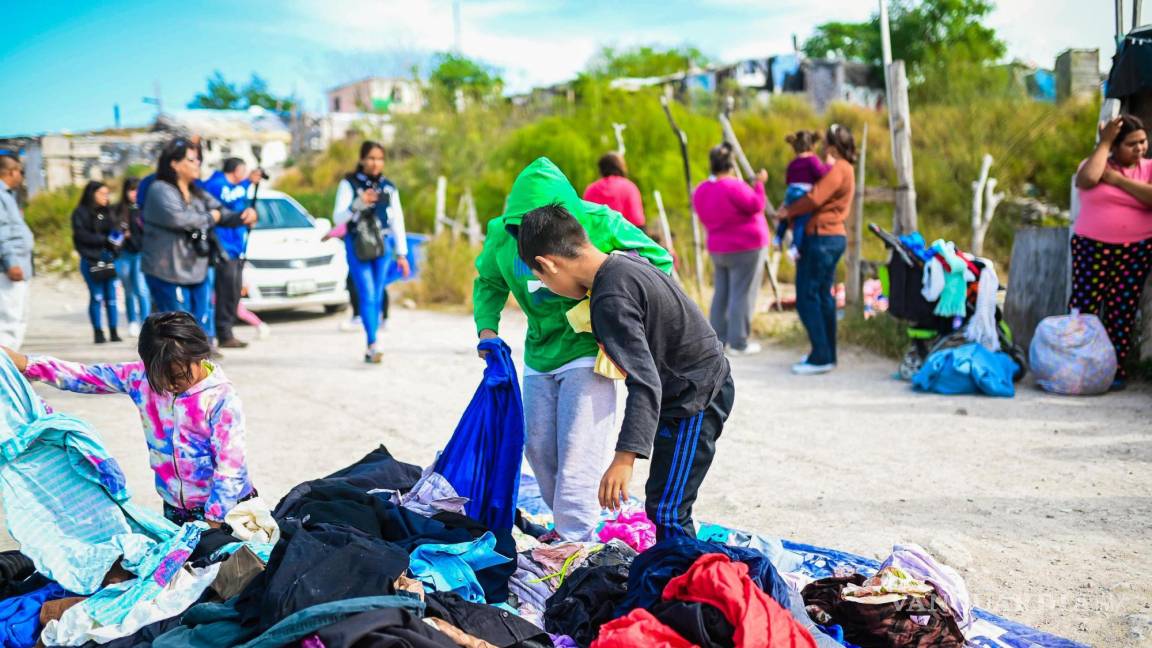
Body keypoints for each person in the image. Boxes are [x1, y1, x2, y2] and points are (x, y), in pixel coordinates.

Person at [473, 157, 673, 541]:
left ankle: (573, 542)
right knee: (540, 448)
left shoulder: (600, 221)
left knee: (578, 449)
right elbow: (488, 283)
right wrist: (487, 331)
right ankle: (568, 525)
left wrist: (615, 314)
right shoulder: (501, 234)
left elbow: (659, 262)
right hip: (540, 352)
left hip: (589, 348)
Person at [515, 202, 734, 541]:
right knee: (663, 501)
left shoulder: (609, 299)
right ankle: (676, 573)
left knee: (669, 510)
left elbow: (645, 383)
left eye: (539, 278)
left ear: (548, 265)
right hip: (683, 389)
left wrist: (623, 459)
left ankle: (692, 582)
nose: (544, 285)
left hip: (698, 396)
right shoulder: (622, 262)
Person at [3, 311, 257, 526]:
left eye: (179, 375)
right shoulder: (141, 378)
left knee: (234, 580)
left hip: (228, 508)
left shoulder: (221, 398)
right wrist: (26, 364)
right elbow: (85, 376)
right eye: (160, 376)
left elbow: (230, 466)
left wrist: (216, 518)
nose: (170, 384)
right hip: (176, 510)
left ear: (200, 355)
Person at [141, 138, 255, 344]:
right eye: (192, 160)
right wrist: (212, 218)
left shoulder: (197, 192)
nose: (197, 164)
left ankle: (201, 358)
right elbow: (179, 219)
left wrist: (243, 216)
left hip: (195, 266)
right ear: (174, 164)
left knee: (200, 319)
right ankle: (176, 367)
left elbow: (223, 213)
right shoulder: (160, 189)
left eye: (198, 160)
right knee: (175, 325)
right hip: (166, 270)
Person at [1072, 114, 1152, 390]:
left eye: (1143, 141)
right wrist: (1104, 143)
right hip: (1091, 248)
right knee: (1085, 307)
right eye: (1131, 144)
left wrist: (1118, 181)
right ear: (1115, 146)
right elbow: (1087, 180)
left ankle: (1114, 370)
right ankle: (1078, 365)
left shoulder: (1149, 168)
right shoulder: (1094, 165)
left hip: (1136, 250)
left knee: (1122, 310)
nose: (1140, 148)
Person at [776, 124, 857, 375]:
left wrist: (788, 211)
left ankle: (820, 356)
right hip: (833, 237)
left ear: (832, 146)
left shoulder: (839, 169)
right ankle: (826, 354)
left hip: (821, 237)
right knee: (823, 297)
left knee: (807, 297)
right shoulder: (847, 169)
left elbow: (815, 198)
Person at [332, 141, 410, 363]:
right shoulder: (349, 183)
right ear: (362, 159)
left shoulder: (389, 187)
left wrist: (402, 254)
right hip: (358, 243)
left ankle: (373, 340)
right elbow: (338, 218)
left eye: (380, 158)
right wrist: (358, 203)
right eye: (371, 158)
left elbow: (398, 220)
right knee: (366, 291)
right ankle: (372, 343)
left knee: (376, 292)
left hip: (382, 245)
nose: (375, 163)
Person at [692, 143, 770, 356]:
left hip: (718, 248)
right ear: (731, 164)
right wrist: (760, 184)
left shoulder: (701, 189)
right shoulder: (734, 186)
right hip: (746, 246)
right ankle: (738, 342)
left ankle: (718, 341)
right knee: (741, 294)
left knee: (721, 294)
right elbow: (756, 205)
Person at [200, 157, 262, 349]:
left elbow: (239, 193)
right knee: (226, 292)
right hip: (223, 246)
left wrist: (249, 182)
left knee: (234, 292)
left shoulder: (237, 186)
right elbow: (223, 203)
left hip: (237, 247)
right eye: (243, 170)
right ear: (236, 169)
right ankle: (223, 333)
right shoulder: (216, 184)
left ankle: (227, 332)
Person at [72, 181, 124, 344]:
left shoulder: (109, 213)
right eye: (102, 193)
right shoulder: (80, 213)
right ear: (91, 194)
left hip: (109, 259)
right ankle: (98, 331)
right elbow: (80, 236)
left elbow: (116, 233)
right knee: (97, 296)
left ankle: (114, 331)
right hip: (90, 260)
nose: (105, 197)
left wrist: (116, 240)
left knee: (112, 297)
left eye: (107, 194)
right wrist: (104, 239)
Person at [775, 130, 830, 261]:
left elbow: (788, 179)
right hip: (803, 192)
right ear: (812, 146)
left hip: (791, 191)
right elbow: (821, 173)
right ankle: (794, 248)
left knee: (786, 215)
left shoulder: (793, 163)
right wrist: (828, 165)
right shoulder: (813, 160)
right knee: (801, 220)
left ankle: (777, 238)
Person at [0, 154, 33, 350]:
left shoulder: (8, 195)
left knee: (19, 319)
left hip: (19, 265)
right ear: (11, 172)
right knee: (9, 323)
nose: (21, 176)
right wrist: (10, 262)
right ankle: (4, 373)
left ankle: (10, 369)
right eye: (20, 172)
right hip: (9, 270)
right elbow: (1, 232)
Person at [114, 178, 151, 337]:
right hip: (123, 255)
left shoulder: (145, 209)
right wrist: (121, 235)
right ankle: (132, 322)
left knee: (142, 290)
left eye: (137, 190)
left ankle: (146, 323)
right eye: (131, 190)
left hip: (141, 254)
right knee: (128, 290)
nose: (134, 193)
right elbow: (112, 234)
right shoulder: (118, 210)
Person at [582, 152, 646, 228]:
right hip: (623, 237)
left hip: (597, 238)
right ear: (620, 167)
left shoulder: (590, 190)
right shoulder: (629, 187)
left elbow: (585, 221)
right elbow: (637, 221)